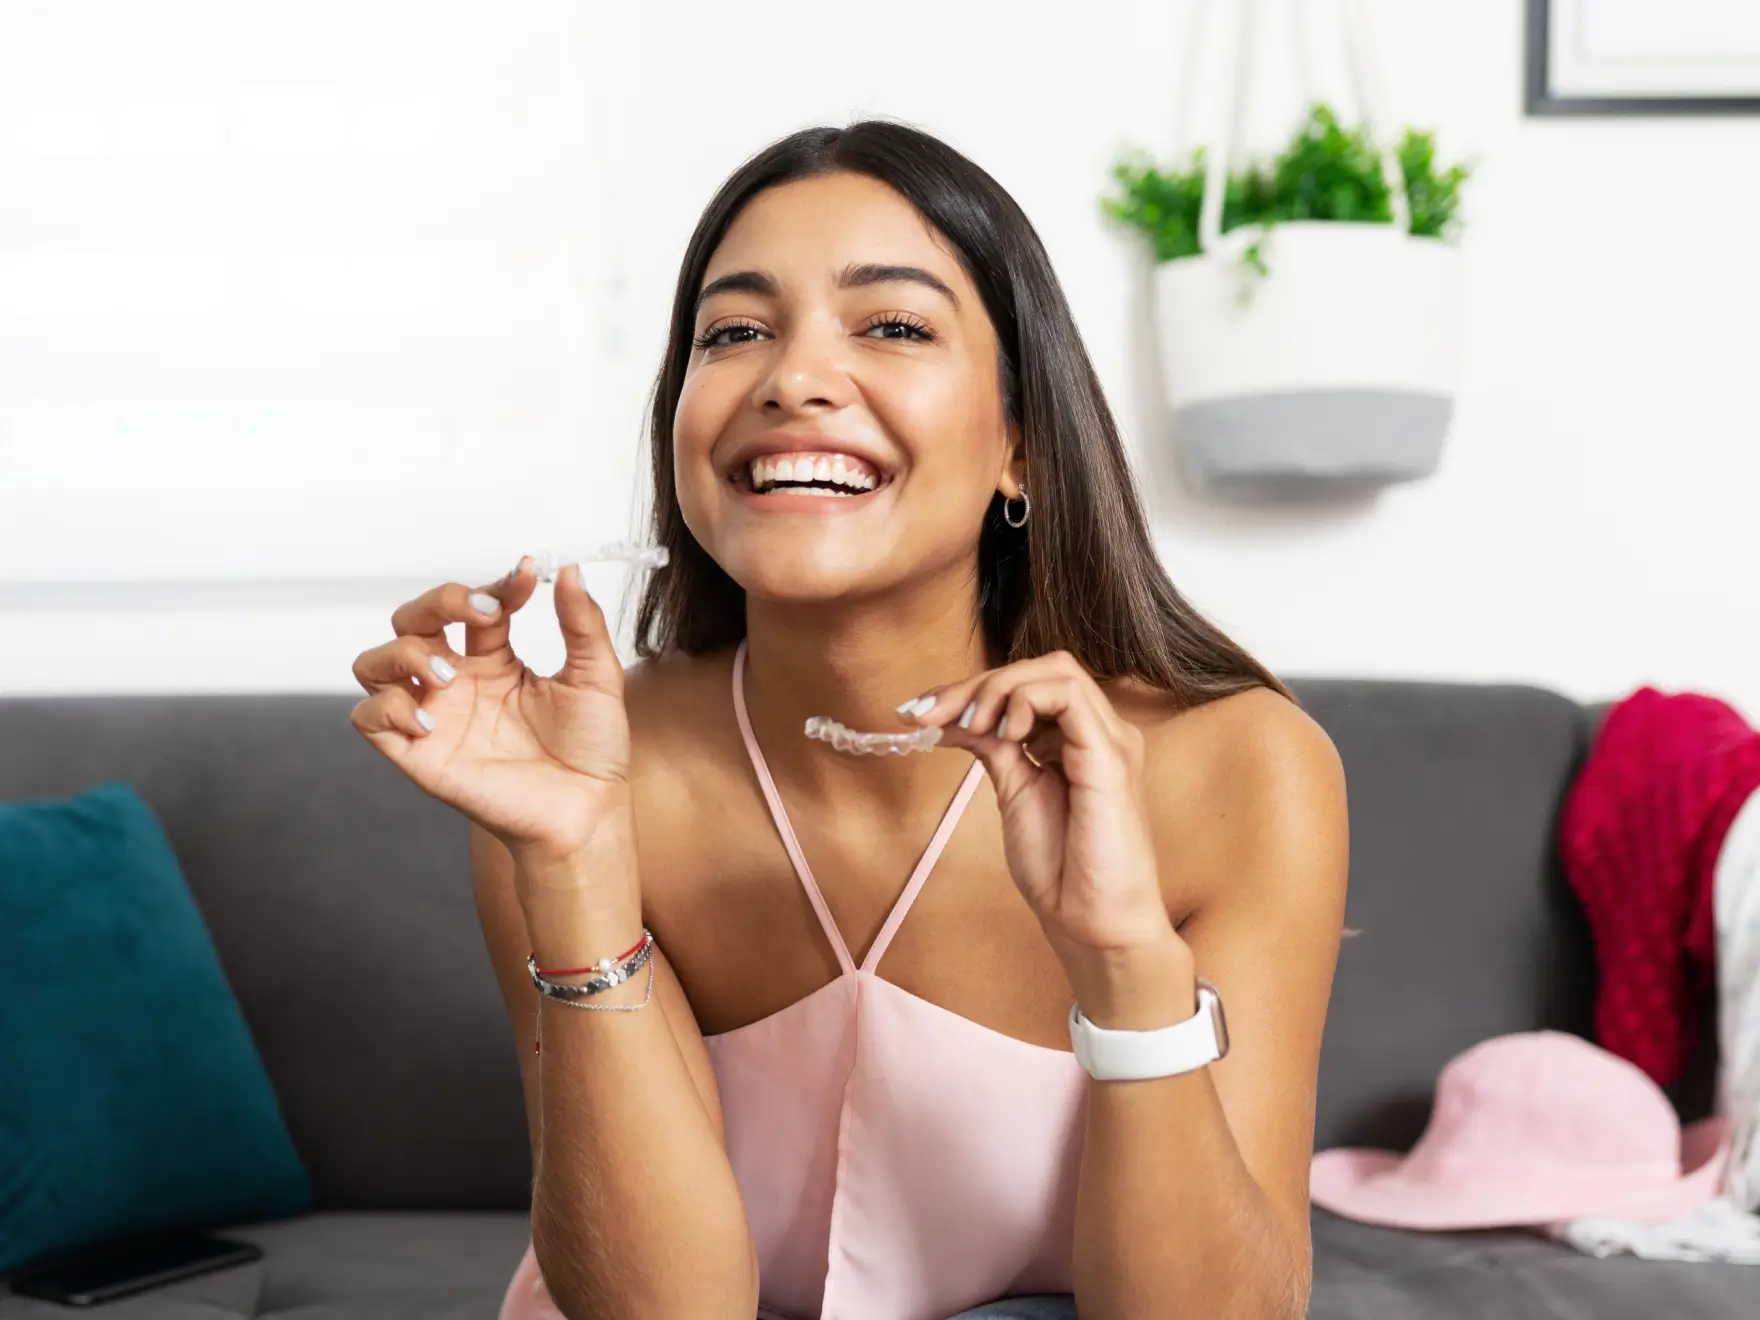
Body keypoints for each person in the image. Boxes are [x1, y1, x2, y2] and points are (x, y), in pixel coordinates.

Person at [348, 119, 1349, 1320]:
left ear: (1019, 442)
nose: (791, 379)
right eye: (734, 332)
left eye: (891, 326)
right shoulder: (579, 774)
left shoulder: (1238, 771)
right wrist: (569, 868)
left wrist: (1125, 963)